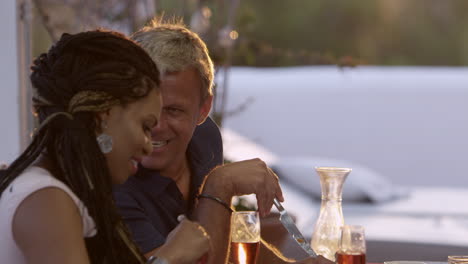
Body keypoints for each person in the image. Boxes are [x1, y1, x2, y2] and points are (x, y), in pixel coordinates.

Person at [114, 20, 327, 264]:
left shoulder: (204, 137)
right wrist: (218, 185)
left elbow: (220, 229)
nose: (157, 126)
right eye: (145, 106)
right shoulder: (114, 180)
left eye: (173, 110)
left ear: (203, 109)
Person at [0, 30, 210, 264]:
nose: (148, 146)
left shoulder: (68, 191)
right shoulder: (46, 199)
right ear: (103, 117)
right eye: (144, 126)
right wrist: (170, 256)